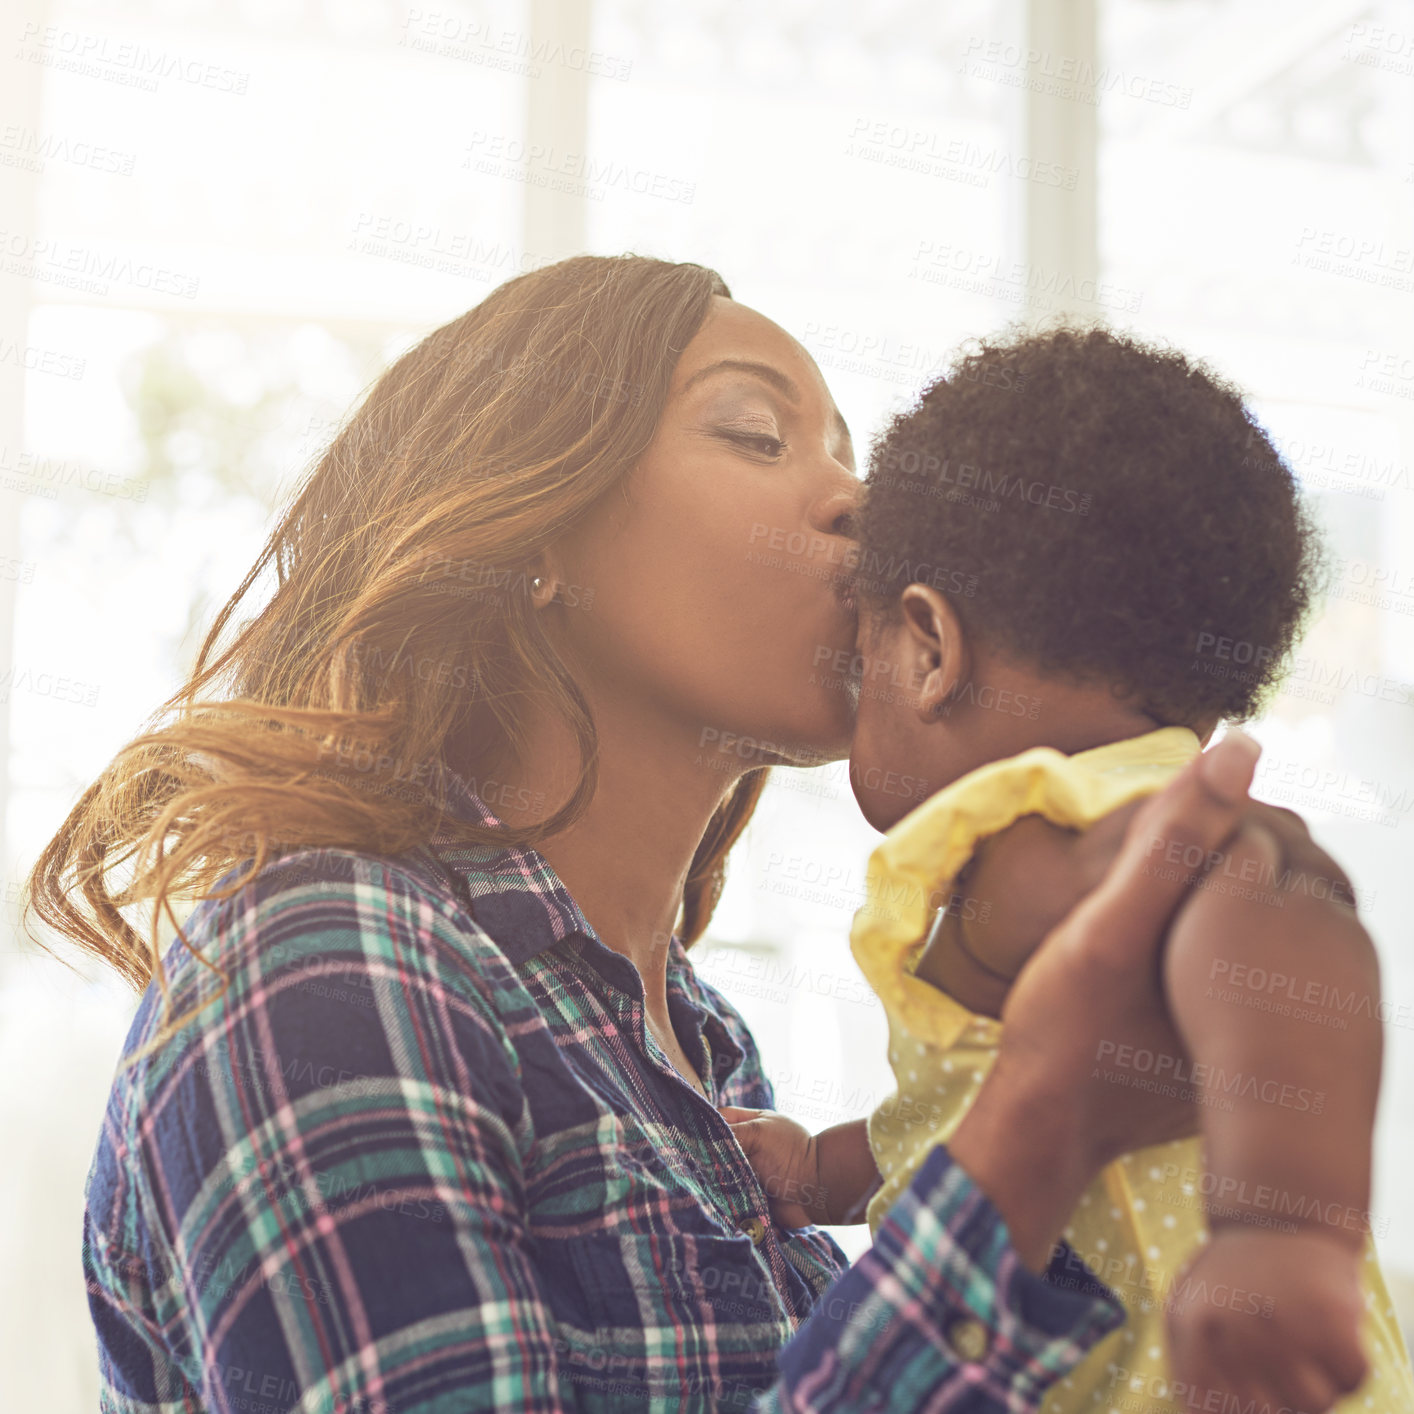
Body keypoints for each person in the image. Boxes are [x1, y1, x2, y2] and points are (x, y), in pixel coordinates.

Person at [24, 256, 1372, 1412]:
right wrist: (1033, 1125)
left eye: (849, 448)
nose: (857, 498)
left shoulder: (699, 1050)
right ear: (536, 526)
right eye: (754, 433)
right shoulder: (325, 956)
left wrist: (1142, 1133)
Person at [725, 327, 1412, 1414]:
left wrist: (1283, 1233)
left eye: (861, 668)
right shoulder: (1040, 852)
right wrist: (820, 1171)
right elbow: (951, 1118)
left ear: (928, 649)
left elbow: (1286, 916)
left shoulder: (1081, 816)